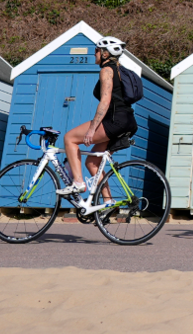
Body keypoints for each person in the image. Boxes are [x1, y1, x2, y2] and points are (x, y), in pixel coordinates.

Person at [59, 37, 138, 207]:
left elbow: (105, 100)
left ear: (105, 53)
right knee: (92, 162)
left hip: (115, 121)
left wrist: (92, 129)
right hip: (127, 121)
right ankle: (108, 202)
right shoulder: (119, 70)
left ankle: (78, 183)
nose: (94, 53)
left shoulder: (106, 70)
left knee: (70, 138)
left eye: (96, 50)